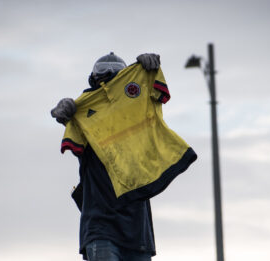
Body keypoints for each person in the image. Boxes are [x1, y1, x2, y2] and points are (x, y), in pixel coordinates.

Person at [51, 52, 196, 261]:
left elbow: (151, 94)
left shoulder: (139, 115)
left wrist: (148, 71)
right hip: (101, 228)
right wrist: (66, 115)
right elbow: (66, 118)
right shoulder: (82, 114)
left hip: (138, 232)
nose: (108, 81)